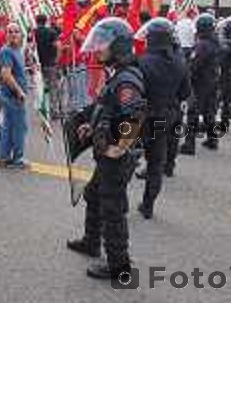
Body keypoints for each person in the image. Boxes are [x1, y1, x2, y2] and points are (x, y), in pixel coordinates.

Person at [67, 18, 147, 282]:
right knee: (93, 195)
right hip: (105, 154)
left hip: (116, 159)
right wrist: (90, 127)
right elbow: (106, 109)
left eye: (103, 44)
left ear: (120, 46)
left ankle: (119, 267)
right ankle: (91, 242)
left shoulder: (127, 79)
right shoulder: (117, 73)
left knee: (113, 210)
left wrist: (120, 147)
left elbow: (134, 116)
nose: (98, 48)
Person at [136, 18, 190, 220]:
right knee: (156, 163)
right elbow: (185, 92)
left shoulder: (142, 62)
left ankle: (119, 202)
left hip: (146, 118)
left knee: (127, 157)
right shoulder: (180, 60)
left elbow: (135, 94)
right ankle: (148, 205)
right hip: (170, 116)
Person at [181, 13, 220, 155]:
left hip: (200, 83)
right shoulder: (215, 42)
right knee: (209, 112)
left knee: (193, 113)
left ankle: (189, 144)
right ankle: (212, 139)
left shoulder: (202, 45)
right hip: (212, 80)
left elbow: (194, 65)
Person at [0, 23, 29, 169]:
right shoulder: (7, 51)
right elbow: (6, 74)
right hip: (12, 96)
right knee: (18, 127)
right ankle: (18, 158)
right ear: (6, 34)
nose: (13, 34)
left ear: (21, 35)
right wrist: (19, 91)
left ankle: (4, 158)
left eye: (16, 31)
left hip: (12, 96)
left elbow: (16, 71)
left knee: (9, 127)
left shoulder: (17, 51)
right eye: (10, 31)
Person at [34, 14, 60, 118]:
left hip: (38, 65)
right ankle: (54, 111)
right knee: (53, 87)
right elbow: (58, 46)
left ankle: (43, 110)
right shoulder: (52, 32)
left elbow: (29, 48)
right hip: (50, 63)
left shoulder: (33, 33)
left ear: (36, 21)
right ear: (46, 21)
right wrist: (57, 59)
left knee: (40, 87)